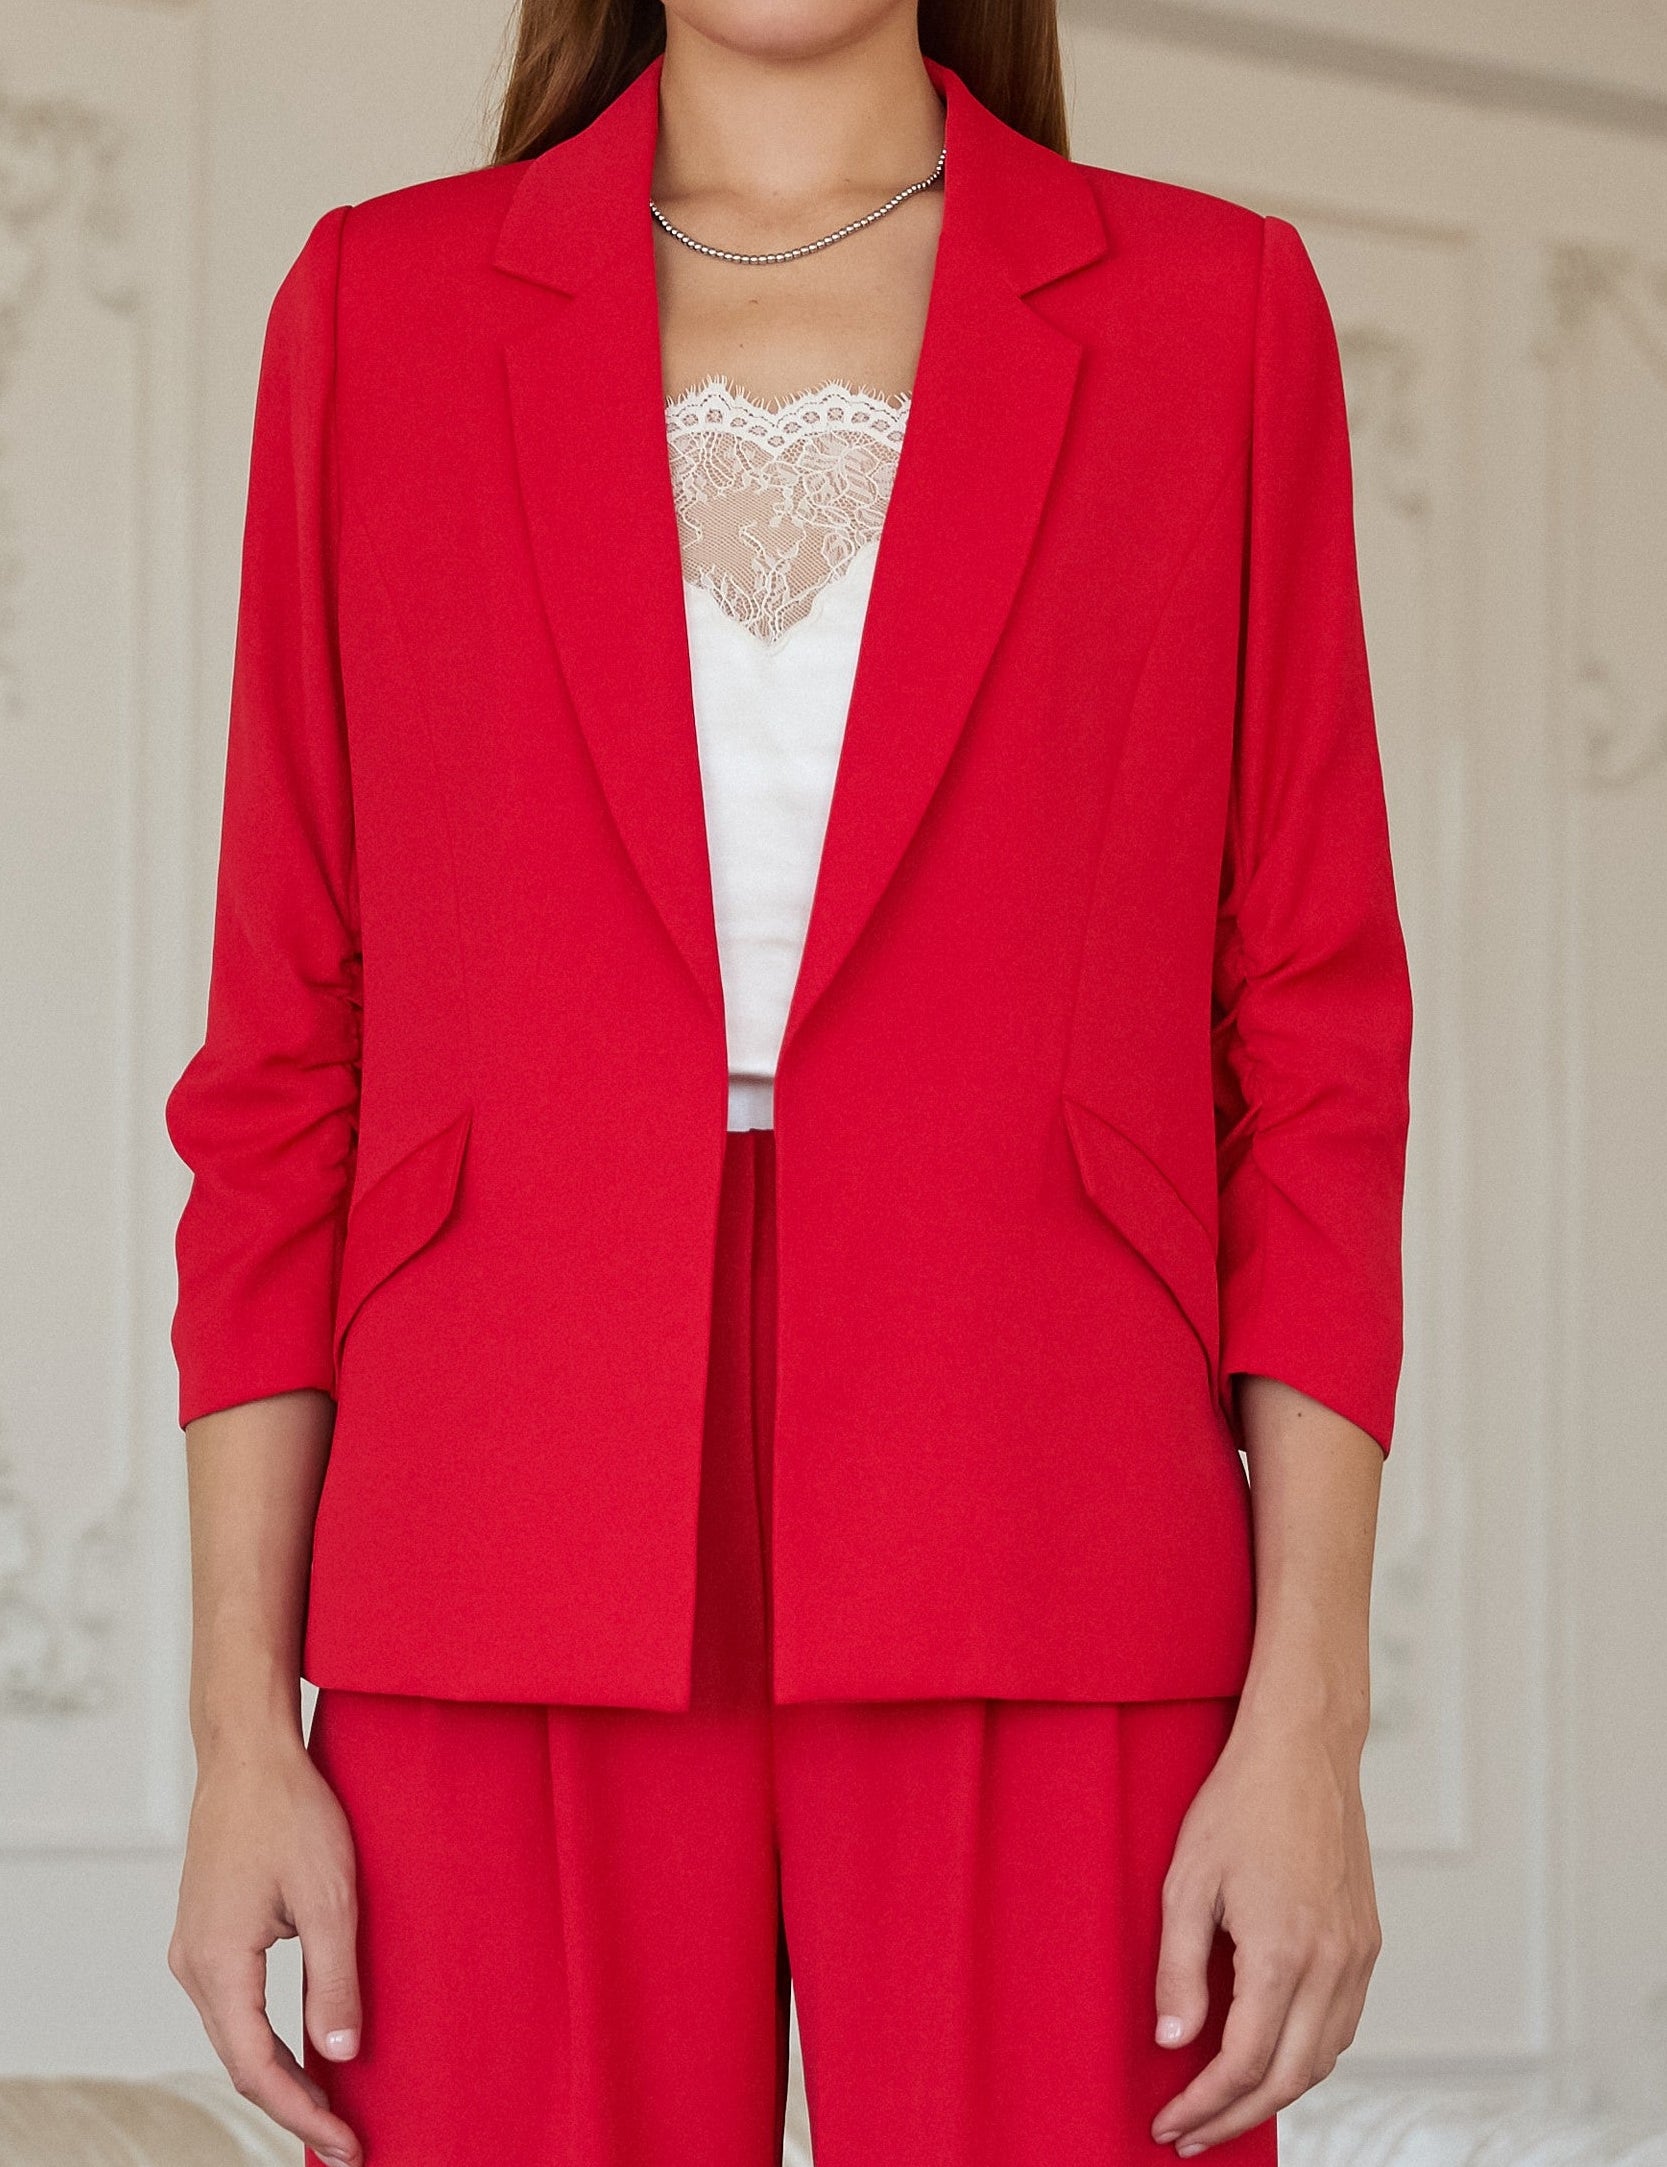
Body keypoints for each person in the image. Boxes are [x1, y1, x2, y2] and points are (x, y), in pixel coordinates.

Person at [163, 4, 1412, 2164]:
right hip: (496, 1514)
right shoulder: (374, 308)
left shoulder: (1219, 313)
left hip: (1045, 1496)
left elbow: (1311, 1043)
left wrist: (1311, 1707)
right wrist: (230, 1733)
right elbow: (287, 1054)